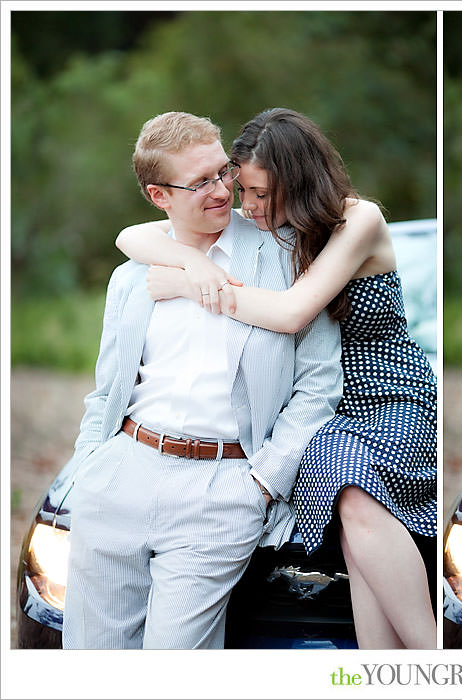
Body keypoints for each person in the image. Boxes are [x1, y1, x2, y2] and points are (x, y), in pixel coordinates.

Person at [115, 107, 437, 649]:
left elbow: (291, 314)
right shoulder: (273, 233)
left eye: (262, 194)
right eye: (243, 191)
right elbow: (132, 235)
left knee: (353, 493)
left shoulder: (360, 220)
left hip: (388, 394)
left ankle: (433, 657)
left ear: (300, 181)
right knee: (355, 537)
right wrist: (192, 264)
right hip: (316, 407)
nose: (250, 207)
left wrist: (195, 287)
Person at [62, 112, 342, 649]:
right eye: (200, 183)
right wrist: (87, 468)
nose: (222, 192)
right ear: (157, 195)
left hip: (223, 486)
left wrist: (261, 484)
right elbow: (107, 388)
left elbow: (318, 385)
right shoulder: (132, 279)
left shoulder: (288, 257)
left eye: (223, 172)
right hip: (122, 474)